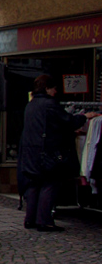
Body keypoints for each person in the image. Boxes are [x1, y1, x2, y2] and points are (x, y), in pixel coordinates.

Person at [18, 74, 99, 231]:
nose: (56, 91)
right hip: (46, 154)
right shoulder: (50, 105)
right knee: (50, 184)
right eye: (54, 88)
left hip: (30, 153)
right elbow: (67, 121)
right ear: (48, 88)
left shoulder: (31, 104)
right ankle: (44, 221)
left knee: (34, 185)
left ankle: (30, 219)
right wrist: (84, 116)